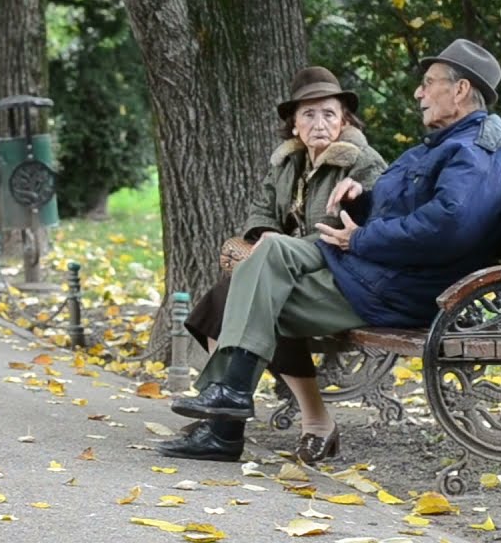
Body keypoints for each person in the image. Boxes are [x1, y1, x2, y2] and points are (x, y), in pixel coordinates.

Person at [167, 39, 501, 460]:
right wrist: (360, 199)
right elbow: (403, 206)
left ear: (461, 90)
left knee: (252, 296)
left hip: (400, 288)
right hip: (371, 267)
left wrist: (359, 237)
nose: (419, 93)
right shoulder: (445, 144)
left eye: (428, 83)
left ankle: (225, 427)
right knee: (266, 255)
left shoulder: (480, 152)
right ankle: (230, 398)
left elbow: (446, 228)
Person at [160, 67, 387, 463]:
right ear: (294, 125)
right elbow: (261, 209)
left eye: (330, 114)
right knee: (223, 299)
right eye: (309, 115)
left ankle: (291, 422)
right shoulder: (287, 165)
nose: (320, 124)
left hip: (337, 271)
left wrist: (280, 249)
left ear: (344, 120)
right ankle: (224, 426)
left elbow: (350, 230)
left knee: (263, 297)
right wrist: (263, 234)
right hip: (287, 266)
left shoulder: (362, 163)